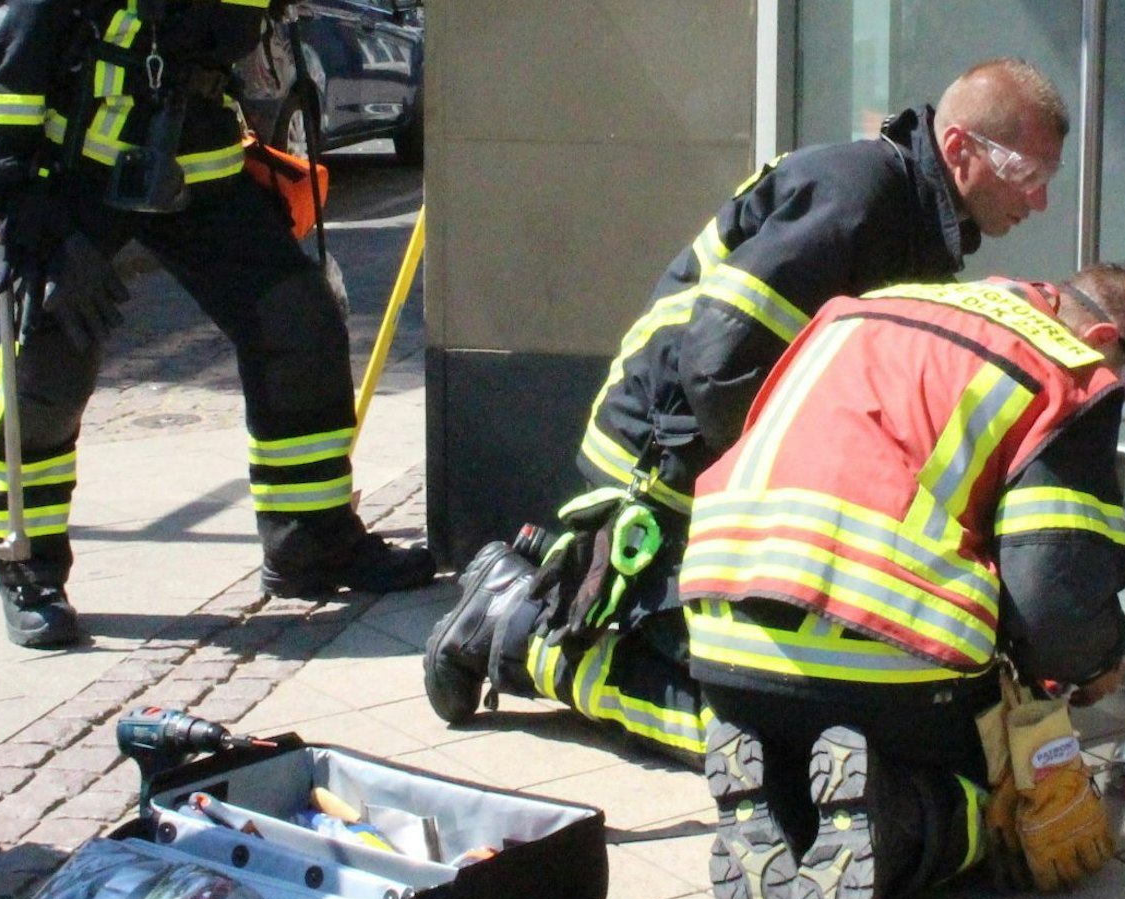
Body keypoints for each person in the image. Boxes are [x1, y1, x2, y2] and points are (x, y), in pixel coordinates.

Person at [420, 58, 1070, 769]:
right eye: (1027, 173)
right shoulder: (857, 198)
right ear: (959, 149)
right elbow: (718, 361)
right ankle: (515, 628)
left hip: (698, 460)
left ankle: (548, 603)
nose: (1038, 200)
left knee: (786, 703)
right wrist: (778, 498)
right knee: (744, 726)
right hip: (665, 468)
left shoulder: (906, 219)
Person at [680, 265, 1125, 899]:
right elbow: (1053, 605)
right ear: (1102, 336)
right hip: (880, 660)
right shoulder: (1065, 369)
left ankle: (783, 803)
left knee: (824, 758)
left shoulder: (865, 306)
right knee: (1000, 790)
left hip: (721, 631)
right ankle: (899, 825)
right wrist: (1096, 660)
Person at [0, 0, 434, 648]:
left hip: (194, 154)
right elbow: (15, 36)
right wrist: (2, 189)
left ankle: (311, 542)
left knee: (297, 322)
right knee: (47, 358)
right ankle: (25, 562)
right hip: (70, 165)